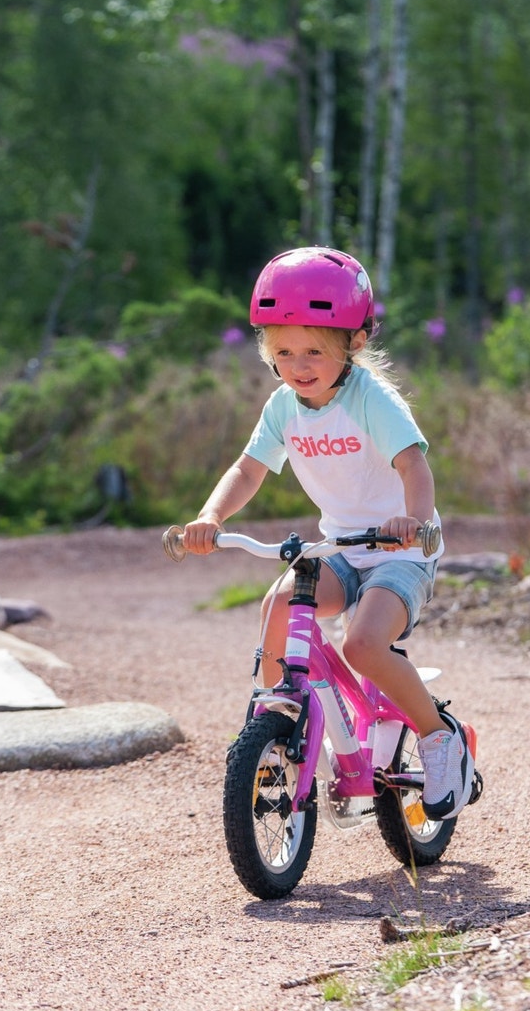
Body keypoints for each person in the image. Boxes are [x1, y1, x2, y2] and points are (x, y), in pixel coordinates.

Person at [178, 246, 473, 821]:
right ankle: (275, 723)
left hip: (400, 552)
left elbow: (414, 465)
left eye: (314, 350)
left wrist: (414, 521)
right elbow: (248, 470)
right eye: (284, 351)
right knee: (279, 604)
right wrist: (211, 518)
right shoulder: (282, 408)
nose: (299, 364)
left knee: (362, 646)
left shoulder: (371, 399)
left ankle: (440, 737)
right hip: (339, 546)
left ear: (353, 343)